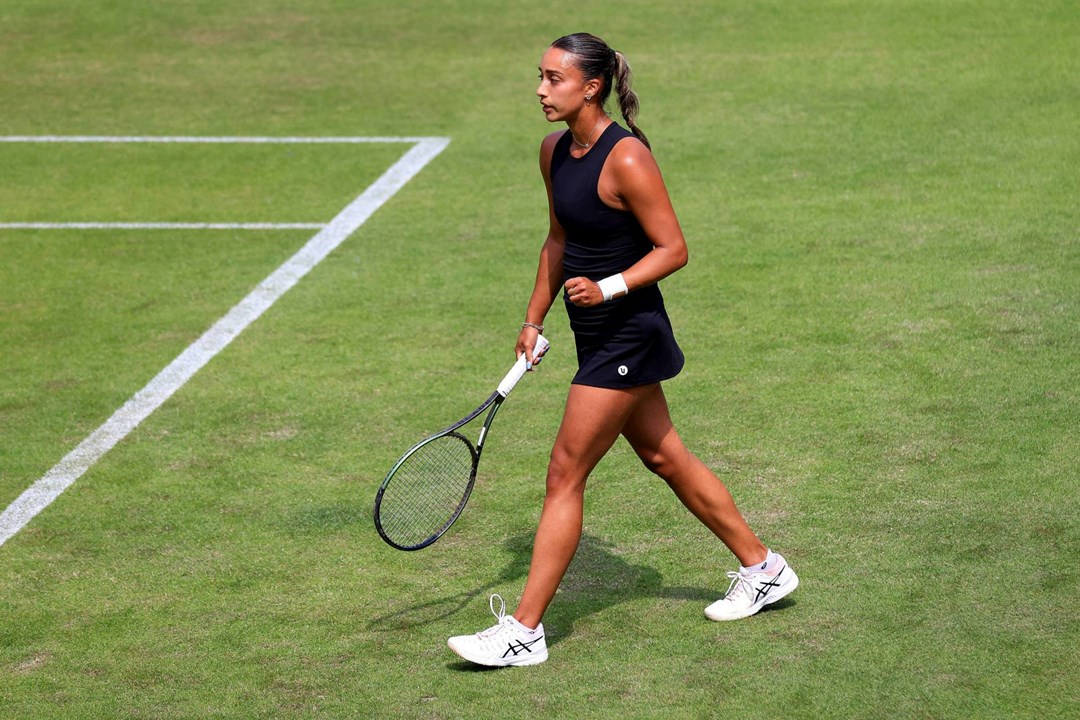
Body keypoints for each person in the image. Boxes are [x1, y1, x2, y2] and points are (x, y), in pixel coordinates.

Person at [447, 33, 797, 667]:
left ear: (592, 87)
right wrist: (532, 317)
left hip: (631, 330)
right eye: (540, 76)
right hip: (594, 332)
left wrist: (607, 287)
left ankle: (524, 630)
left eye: (554, 78)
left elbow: (673, 249)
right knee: (664, 455)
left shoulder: (627, 157)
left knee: (564, 472)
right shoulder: (553, 150)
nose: (540, 89)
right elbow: (558, 239)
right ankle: (764, 567)